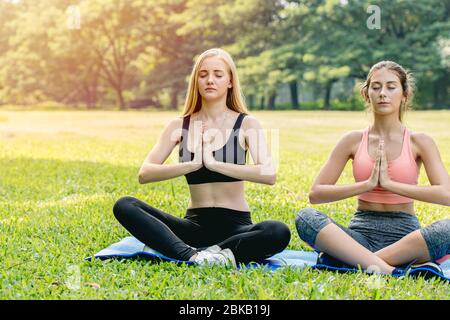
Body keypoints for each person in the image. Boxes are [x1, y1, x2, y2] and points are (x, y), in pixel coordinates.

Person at [113, 48, 290, 268]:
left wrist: (215, 164)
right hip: (194, 227)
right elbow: (145, 173)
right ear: (196, 81)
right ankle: (194, 256)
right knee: (125, 205)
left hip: (236, 228)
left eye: (218, 74)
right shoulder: (179, 125)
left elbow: (269, 174)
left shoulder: (246, 124)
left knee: (277, 231)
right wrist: (193, 164)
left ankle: (210, 253)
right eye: (203, 74)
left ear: (230, 82)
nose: (210, 80)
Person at [295, 61, 450, 276]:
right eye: (375, 87)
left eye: (391, 87)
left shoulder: (419, 141)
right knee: (305, 218)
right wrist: (366, 185)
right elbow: (316, 194)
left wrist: (390, 185)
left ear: (404, 94)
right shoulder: (352, 140)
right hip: (360, 235)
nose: (382, 93)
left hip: (406, 238)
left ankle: (352, 261)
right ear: (366, 94)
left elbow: (446, 195)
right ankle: (392, 269)